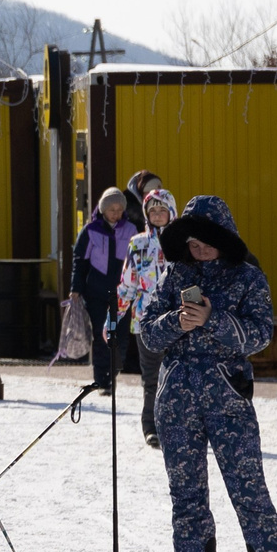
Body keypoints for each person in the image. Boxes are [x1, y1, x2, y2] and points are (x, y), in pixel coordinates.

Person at [137, 195, 277, 552]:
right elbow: (147, 334)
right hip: (177, 399)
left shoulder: (249, 278)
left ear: (224, 240)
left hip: (228, 398)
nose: (199, 252)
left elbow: (259, 336)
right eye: (194, 245)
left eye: (207, 245)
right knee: (187, 494)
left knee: (250, 491)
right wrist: (177, 322)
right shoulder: (175, 274)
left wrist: (212, 320)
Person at [117, 187, 177, 446]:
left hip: (177, 321)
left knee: (176, 378)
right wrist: (111, 321)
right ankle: (151, 427)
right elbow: (127, 285)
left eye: (162, 210)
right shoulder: (138, 244)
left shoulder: (182, 244)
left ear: (171, 212)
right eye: (153, 211)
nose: (158, 215)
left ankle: (176, 427)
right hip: (146, 321)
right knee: (151, 378)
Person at [72, 188, 135, 392]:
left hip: (123, 294)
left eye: (119, 209)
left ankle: (113, 373)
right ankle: (101, 378)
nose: (115, 213)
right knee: (101, 336)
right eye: (111, 209)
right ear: (103, 210)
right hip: (97, 293)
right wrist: (76, 288)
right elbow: (79, 262)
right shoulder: (91, 230)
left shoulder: (131, 230)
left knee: (121, 336)